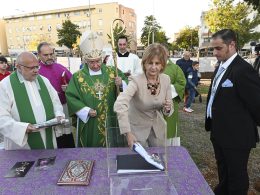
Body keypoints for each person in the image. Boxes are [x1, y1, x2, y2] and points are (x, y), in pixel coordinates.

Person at [205, 29, 260, 195]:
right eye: (212, 49)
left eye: (218, 48)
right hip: (219, 132)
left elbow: (257, 104)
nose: (214, 53)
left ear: (232, 45)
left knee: (236, 179)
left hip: (237, 137)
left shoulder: (243, 70)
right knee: (224, 174)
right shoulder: (221, 66)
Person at [65, 31, 128, 147]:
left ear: (102, 58)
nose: (95, 65)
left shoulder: (112, 71)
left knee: (112, 145)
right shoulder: (78, 77)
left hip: (111, 117)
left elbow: (129, 85)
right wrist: (85, 110)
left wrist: (121, 83)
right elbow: (71, 97)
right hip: (90, 122)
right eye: (91, 62)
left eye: (98, 61)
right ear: (85, 60)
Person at [0, 52, 65, 150]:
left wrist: (59, 114)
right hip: (22, 144)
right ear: (18, 67)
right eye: (31, 68)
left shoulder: (44, 81)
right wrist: (23, 128)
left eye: (37, 67)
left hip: (47, 136)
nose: (36, 71)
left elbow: (56, 102)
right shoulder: (5, 86)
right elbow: (2, 118)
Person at [114, 43, 173, 148]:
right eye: (150, 63)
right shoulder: (136, 81)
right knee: (139, 162)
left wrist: (167, 108)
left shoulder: (166, 79)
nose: (153, 67)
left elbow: (168, 107)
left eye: (157, 63)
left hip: (158, 131)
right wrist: (127, 132)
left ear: (162, 65)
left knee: (159, 161)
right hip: (137, 132)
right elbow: (120, 104)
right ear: (144, 63)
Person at [38, 42, 75, 148]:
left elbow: (74, 84)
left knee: (66, 132)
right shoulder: (36, 71)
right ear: (39, 55)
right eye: (46, 55)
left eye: (51, 54)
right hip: (47, 109)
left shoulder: (61, 67)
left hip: (63, 107)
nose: (49, 57)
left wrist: (69, 88)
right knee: (53, 135)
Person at [163, 50, 186, 145]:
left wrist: (166, 90)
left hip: (170, 102)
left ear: (168, 53)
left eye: (163, 51)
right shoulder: (152, 66)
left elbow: (181, 84)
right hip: (153, 104)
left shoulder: (175, 68)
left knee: (169, 128)